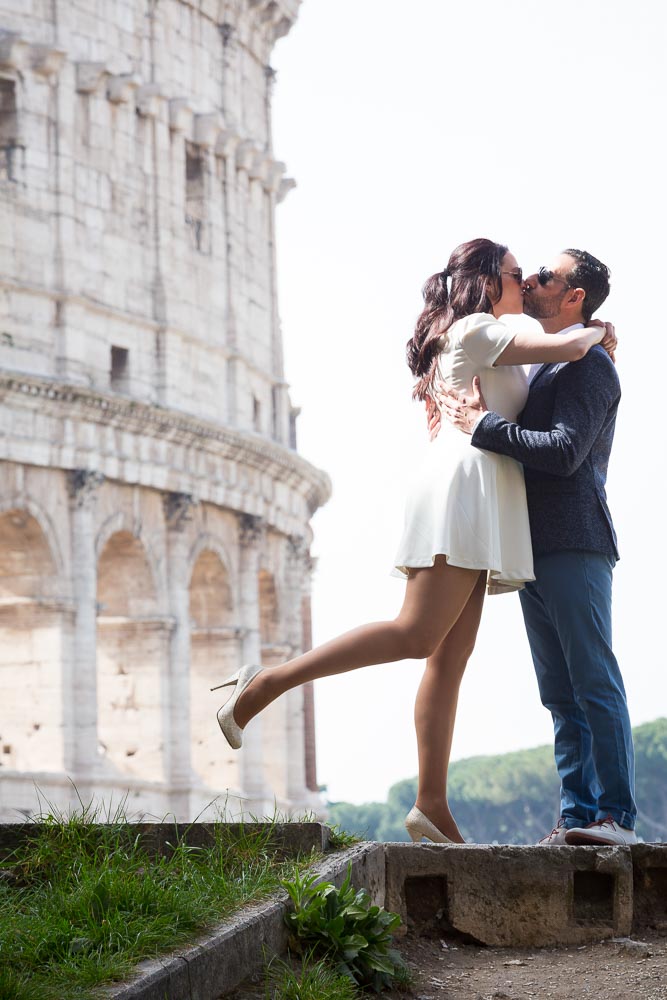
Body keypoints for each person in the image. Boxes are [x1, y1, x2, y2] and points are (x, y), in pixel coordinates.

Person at [212, 238, 615, 845]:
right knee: (417, 634)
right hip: (465, 486)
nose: (525, 282)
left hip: (483, 489)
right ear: (487, 281)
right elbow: (569, 343)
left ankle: (431, 805)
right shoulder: (480, 326)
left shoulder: (488, 335)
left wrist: (589, 333)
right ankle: (267, 683)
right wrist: (600, 329)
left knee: (448, 659)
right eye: (515, 273)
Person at [435, 249, 636, 847]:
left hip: (575, 540)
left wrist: (483, 427)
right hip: (532, 546)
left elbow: (565, 450)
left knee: (593, 679)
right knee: (559, 693)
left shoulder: (592, 366)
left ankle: (617, 818)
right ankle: (577, 817)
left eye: (546, 275)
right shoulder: (550, 361)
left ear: (574, 296)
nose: (533, 281)